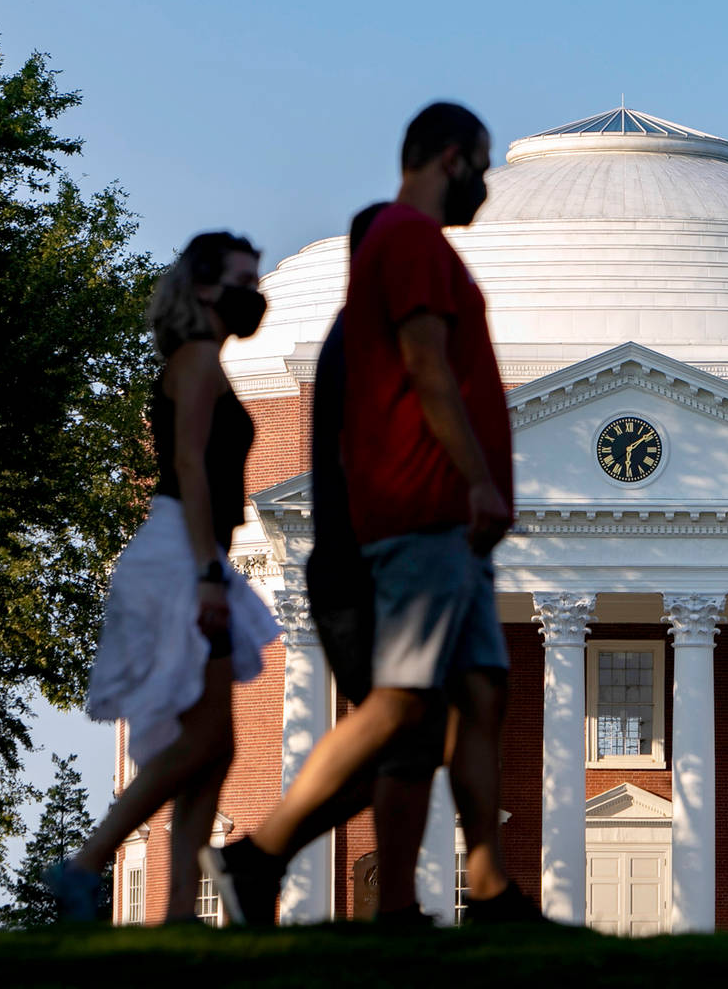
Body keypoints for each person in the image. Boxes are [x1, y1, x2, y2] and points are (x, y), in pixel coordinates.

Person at [204, 102, 537, 925]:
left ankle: (489, 888)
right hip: (428, 512)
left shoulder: (415, 247)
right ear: (451, 157)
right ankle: (259, 854)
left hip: (448, 522)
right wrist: (479, 484)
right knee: (401, 703)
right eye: (484, 167)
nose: (490, 188)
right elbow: (428, 369)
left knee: (482, 694)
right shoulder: (410, 240)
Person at [201, 203, 456, 927]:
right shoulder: (367, 337)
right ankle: (265, 855)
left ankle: (295, 867)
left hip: (365, 555)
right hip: (362, 560)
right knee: (400, 716)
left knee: (411, 731)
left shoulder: (366, 333)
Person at [51, 231, 281, 923]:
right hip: (185, 554)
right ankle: (87, 863)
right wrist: (211, 573)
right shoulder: (199, 359)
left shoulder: (200, 359)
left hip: (191, 551)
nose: (255, 292)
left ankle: (179, 915)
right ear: (206, 288)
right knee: (202, 742)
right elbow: (188, 467)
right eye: (244, 278)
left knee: (217, 745)